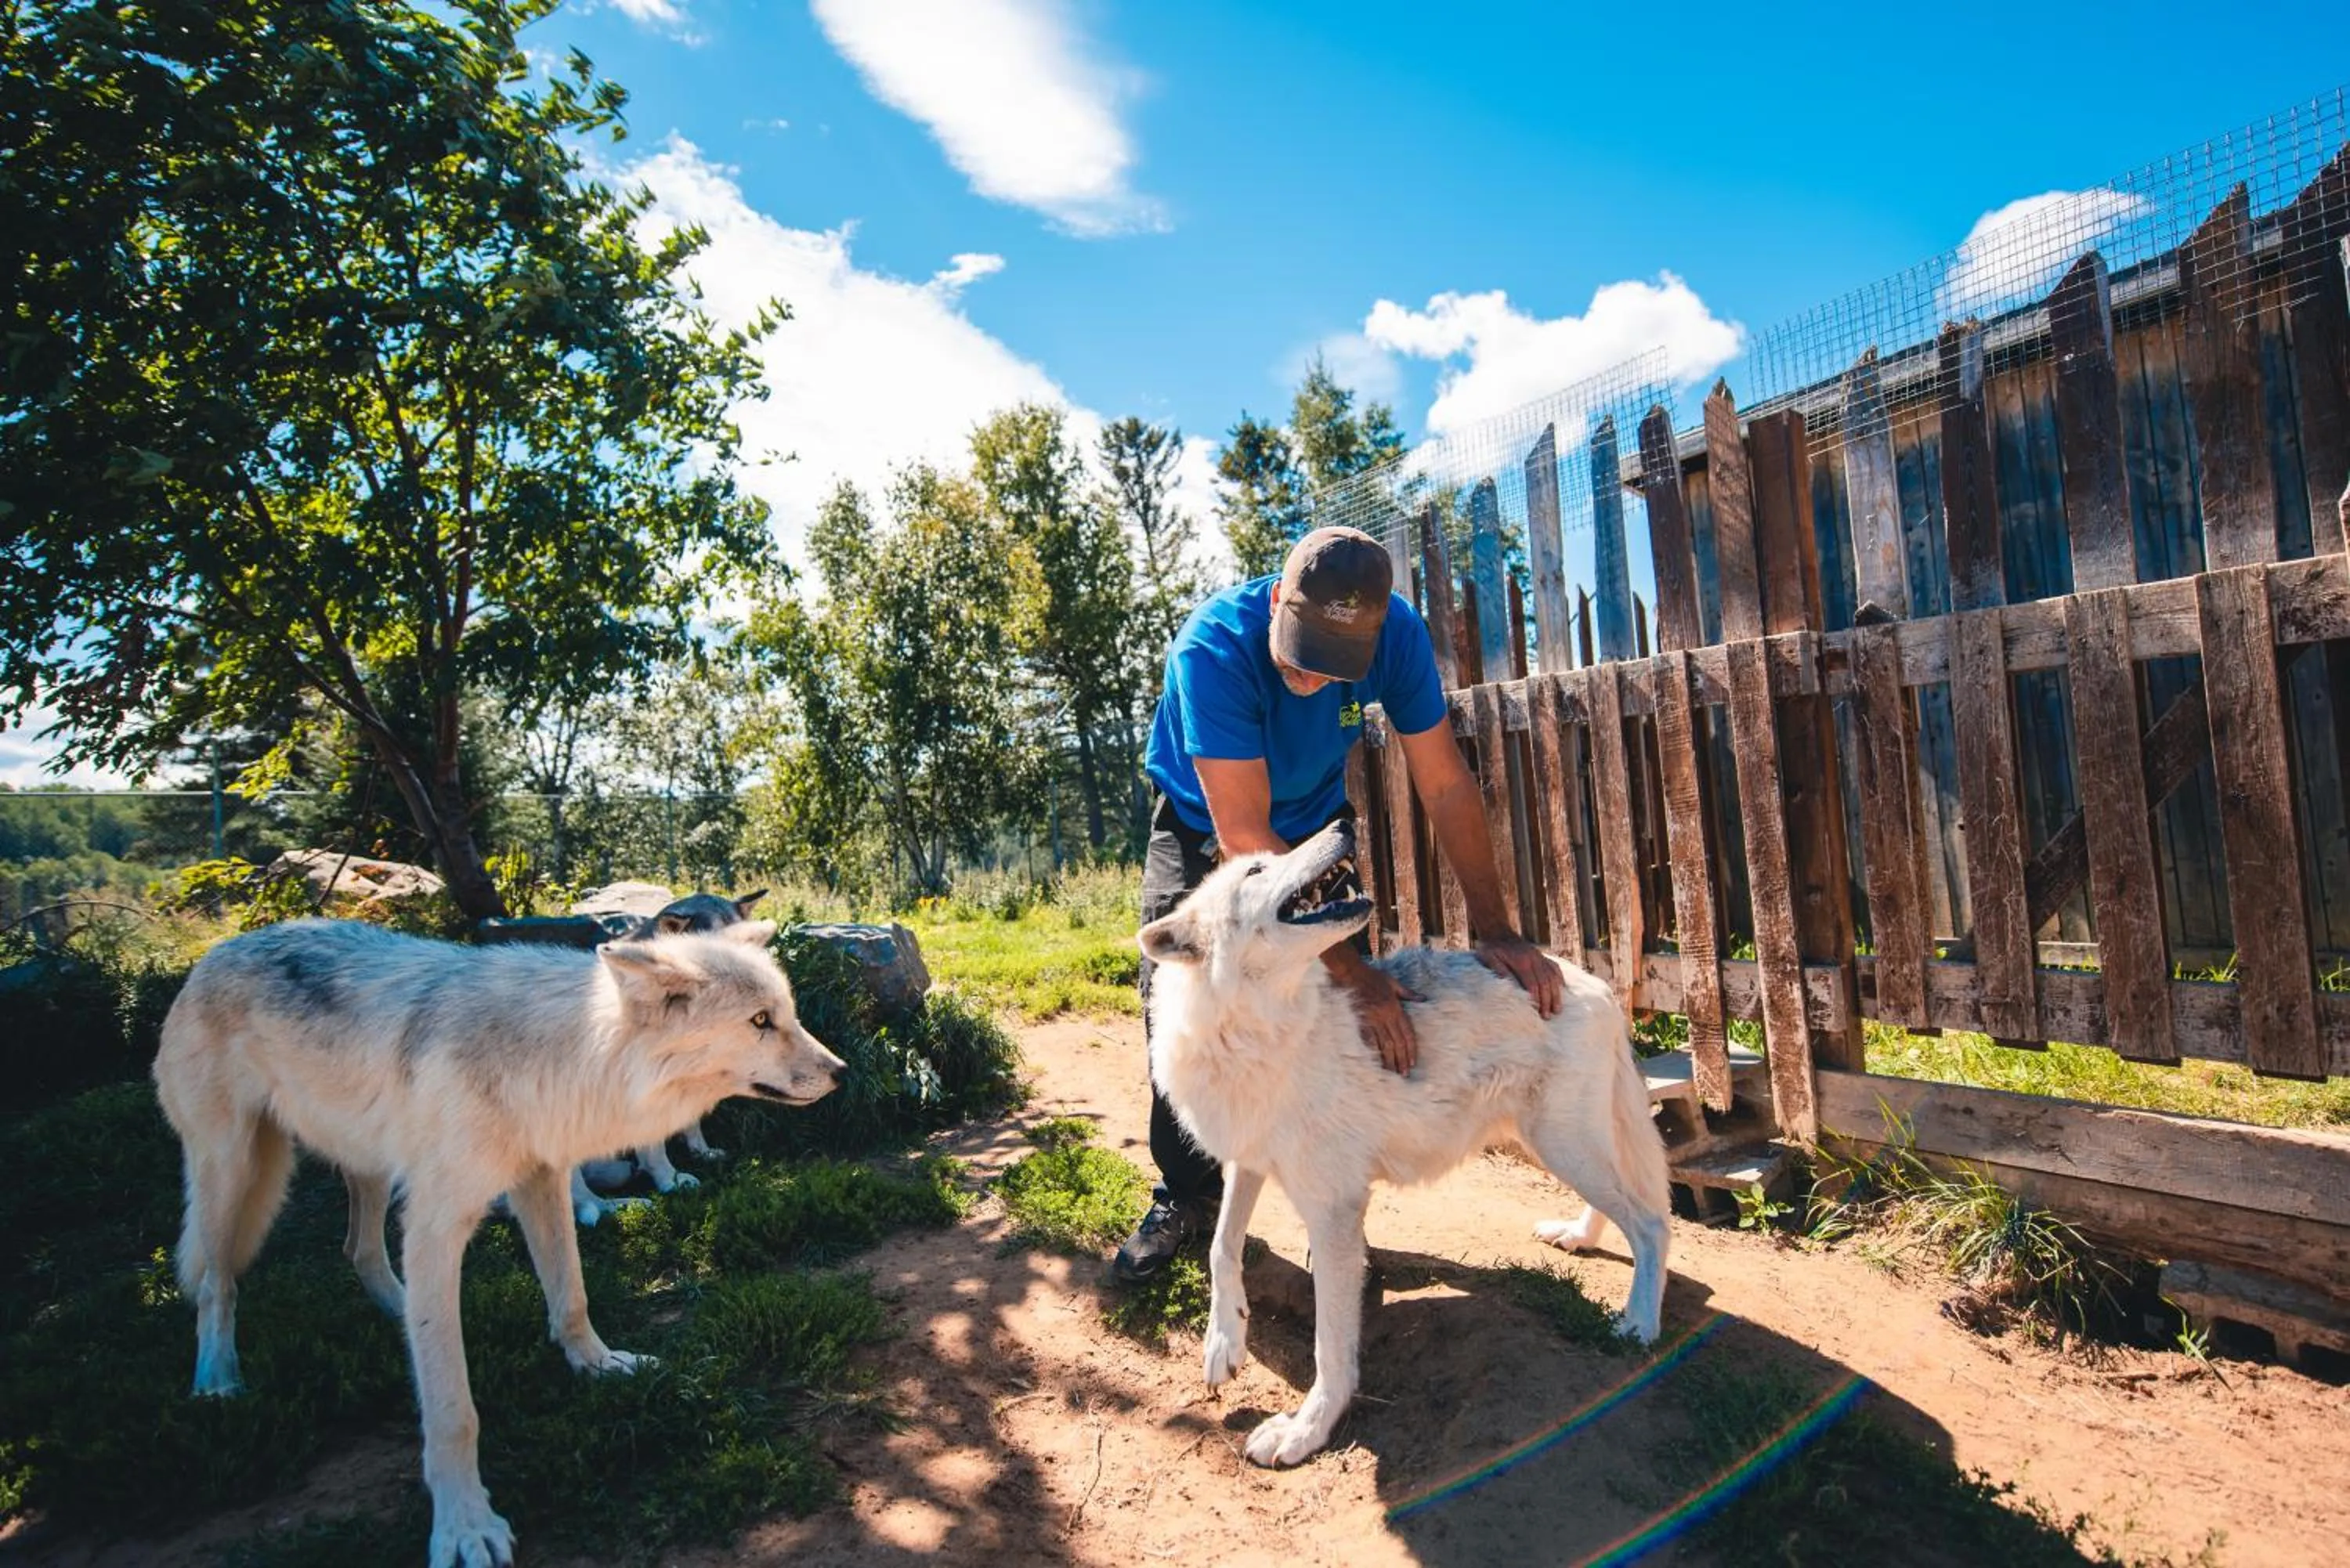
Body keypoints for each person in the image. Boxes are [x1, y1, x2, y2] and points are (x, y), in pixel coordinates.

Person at [1112, 524, 1565, 1282]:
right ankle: (1187, 1196)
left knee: (1325, 1019)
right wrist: (1354, 972)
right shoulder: (1213, 649)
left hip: (1315, 824)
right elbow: (1246, 839)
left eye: (1336, 669)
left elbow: (1446, 782)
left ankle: (1331, 1203)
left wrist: (1499, 930)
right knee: (1187, 1007)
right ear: (1278, 599)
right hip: (1209, 828)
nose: (1316, 682)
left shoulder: (1400, 636)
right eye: (1302, 658)